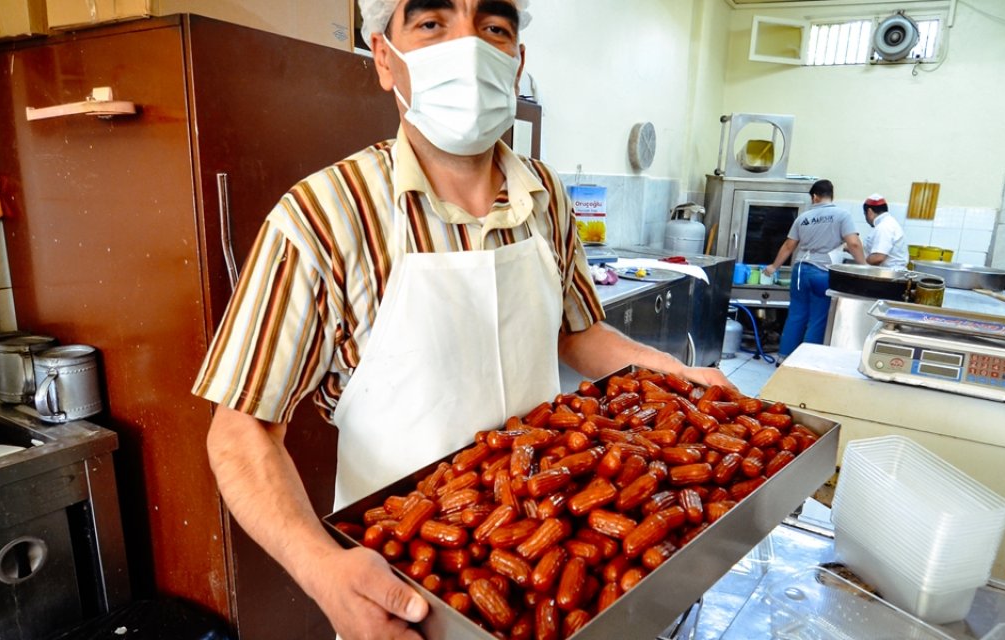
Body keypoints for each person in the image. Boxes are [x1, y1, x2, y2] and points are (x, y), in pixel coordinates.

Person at [193, 2, 732, 638]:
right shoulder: (323, 216)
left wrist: (673, 373)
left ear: (517, 62)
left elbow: (580, 334)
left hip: (549, 549)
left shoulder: (546, 197)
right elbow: (240, 431)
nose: (468, 47)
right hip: (412, 583)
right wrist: (321, 568)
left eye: (494, 27)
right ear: (384, 58)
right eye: (432, 23)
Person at [762, 179, 866, 358]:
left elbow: (789, 245)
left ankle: (783, 357)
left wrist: (773, 266)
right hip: (823, 273)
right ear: (831, 196)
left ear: (815, 197)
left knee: (796, 315)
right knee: (818, 319)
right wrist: (864, 267)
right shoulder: (842, 215)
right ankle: (806, 360)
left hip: (800, 271)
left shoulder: (803, 218)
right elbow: (854, 243)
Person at [861, 194, 909, 270]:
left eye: (865, 214)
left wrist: (861, 261)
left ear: (869, 212)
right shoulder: (889, 223)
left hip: (889, 274)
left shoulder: (884, 227)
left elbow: (878, 257)